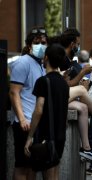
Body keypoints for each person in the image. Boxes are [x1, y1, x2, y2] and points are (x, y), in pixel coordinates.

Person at [23, 44, 69, 179]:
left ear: (46, 57)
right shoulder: (64, 83)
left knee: (33, 172)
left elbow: (38, 110)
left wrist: (30, 136)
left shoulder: (43, 81)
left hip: (45, 137)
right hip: (60, 137)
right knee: (53, 175)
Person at [59, 28, 92, 161]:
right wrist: (82, 73)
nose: (78, 47)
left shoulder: (69, 59)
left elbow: (68, 83)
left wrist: (82, 78)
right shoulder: (61, 58)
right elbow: (65, 85)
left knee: (83, 108)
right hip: (57, 96)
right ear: (72, 44)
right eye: (78, 44)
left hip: (65, 97)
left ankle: (86, 148)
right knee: (82, 91)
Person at [9, 26, 48, 180]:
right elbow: (14, 92)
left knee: (32, 166)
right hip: (24, 123)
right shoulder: (23, 63)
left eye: (44, 42)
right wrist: (22, 119)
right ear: (29, 44)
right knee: (22, 166)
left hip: (35, 123)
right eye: (37, 42)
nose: (41, 45)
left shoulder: (40, 64)